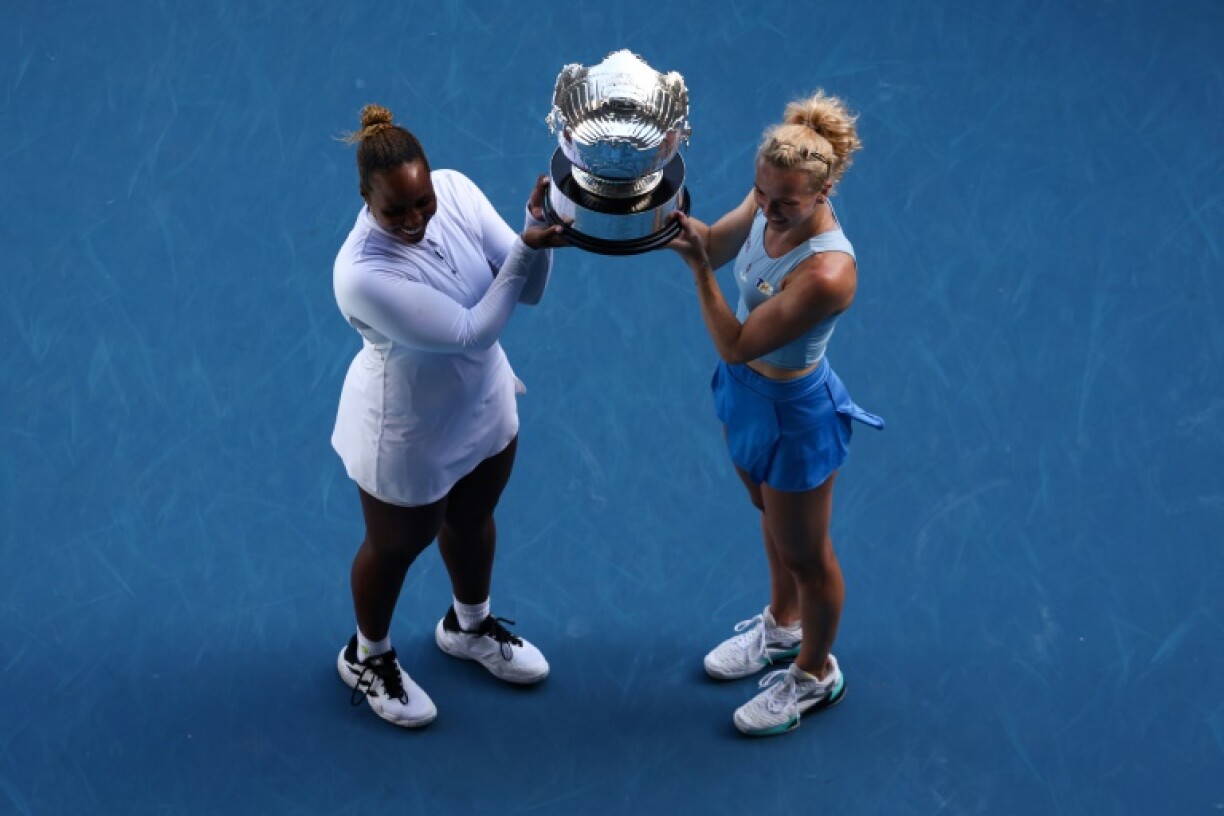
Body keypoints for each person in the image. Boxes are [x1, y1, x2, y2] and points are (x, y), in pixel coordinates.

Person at [329, 103, 566, 729]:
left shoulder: (456, 189)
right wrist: (524, 248)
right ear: (366, 199)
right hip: (408, 432)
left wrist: (534, 227)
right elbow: (468, 331)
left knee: (472, 518)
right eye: (394, 211)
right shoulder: (359, 274)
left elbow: (531, 287)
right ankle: (366, 654)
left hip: (484, 402)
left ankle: (469, 626)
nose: (412, 220)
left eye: (421, 202)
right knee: (396, 546)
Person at [666, 90, 884, 737]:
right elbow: (714, 240)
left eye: (785, 202)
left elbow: (735, 337)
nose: (768, 210)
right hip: (744, 396)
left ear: (824, 192)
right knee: (772, 514)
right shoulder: (770, 199)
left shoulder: (827, 274)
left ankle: (815, 674)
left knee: (810, 556)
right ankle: (784, 628)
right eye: (762, 194)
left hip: (794, 416)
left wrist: (697, 268)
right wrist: (651, 209)